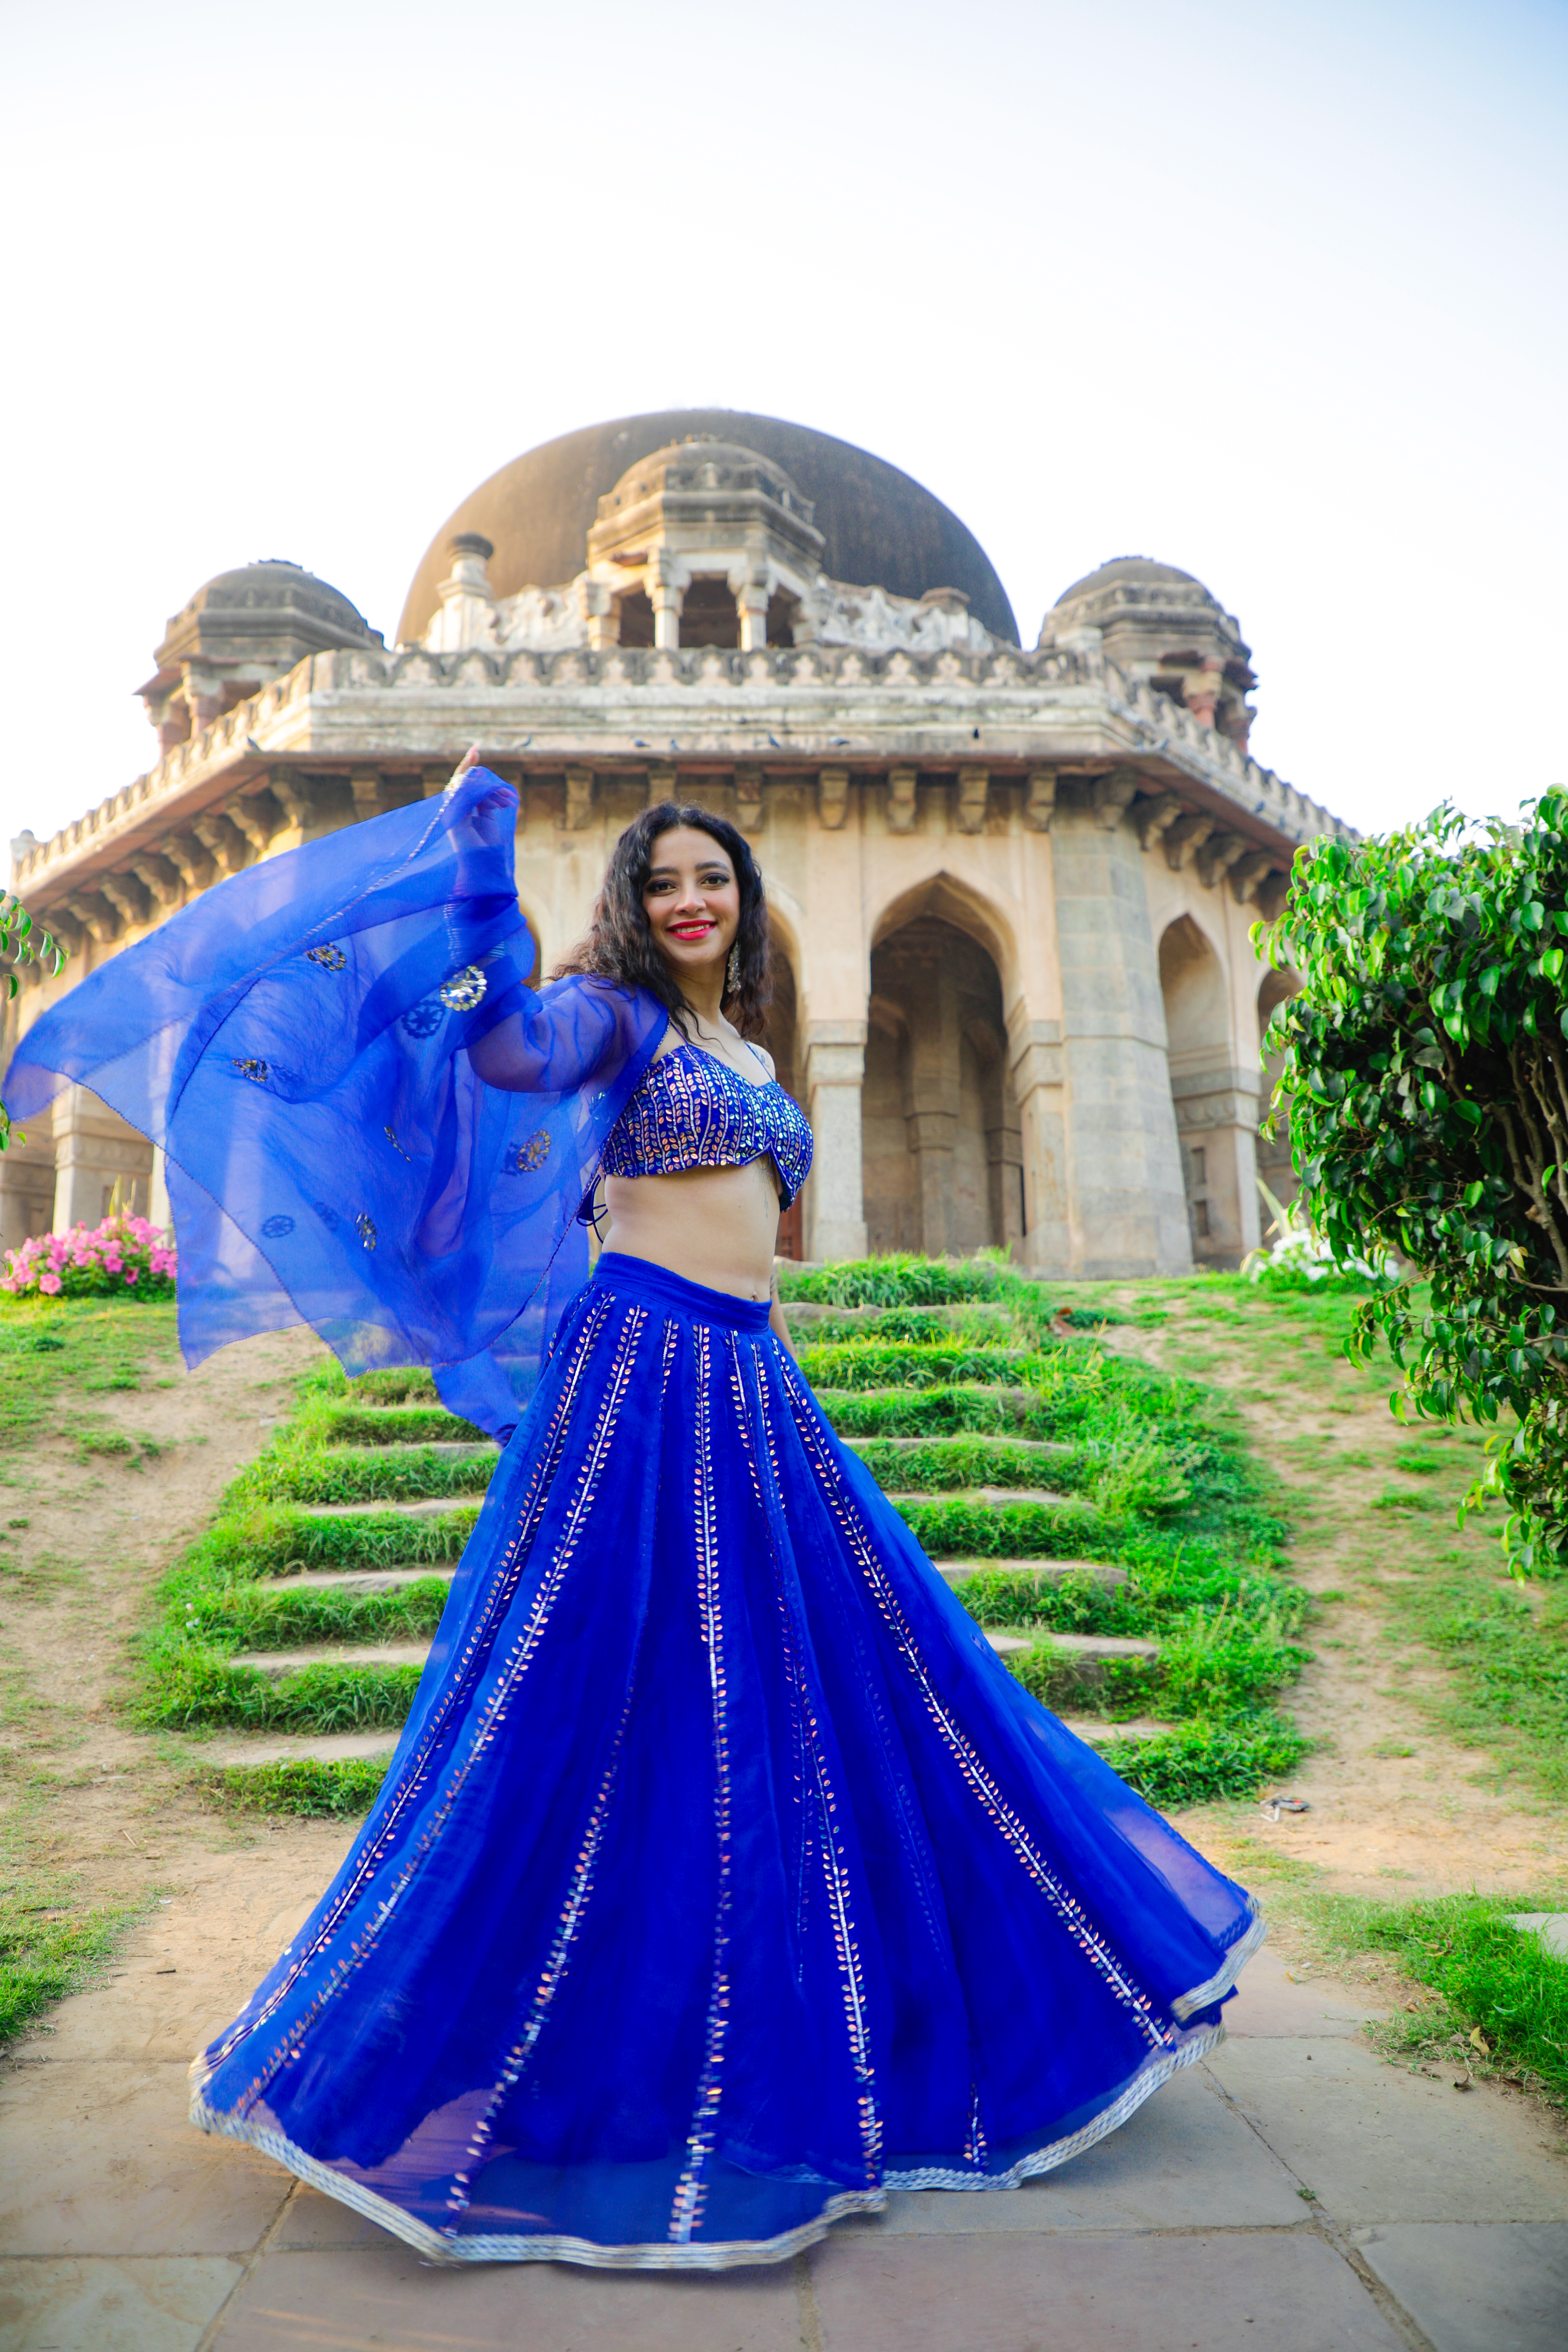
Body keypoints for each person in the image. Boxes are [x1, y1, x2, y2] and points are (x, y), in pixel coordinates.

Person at [4, 751, 1261, 2270]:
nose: (686, 900)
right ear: (631, 903)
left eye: (709, 879)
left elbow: (759, 1244)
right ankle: (483, 2046)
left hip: (750, 1378)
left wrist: (782, 1368)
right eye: (661, 881)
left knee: (848, 1694)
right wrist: (481, 890)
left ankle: (850, 2016)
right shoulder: (617, 1019)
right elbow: (510, 1059)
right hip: (640, 1377)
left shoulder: (745, 1043)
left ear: (743, 900)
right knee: (586, 1708)